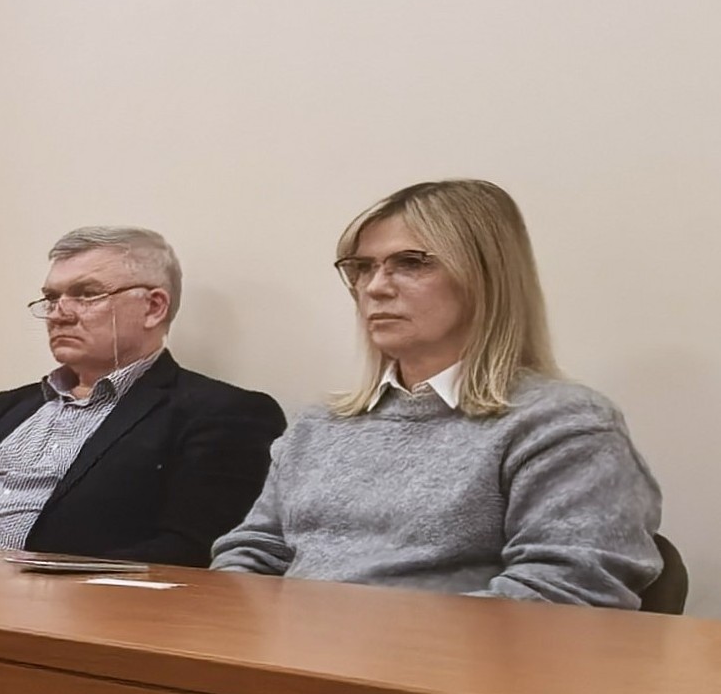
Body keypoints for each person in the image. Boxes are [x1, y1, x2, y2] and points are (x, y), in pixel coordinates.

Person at [212, 179, 663, 608]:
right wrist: (234, 620)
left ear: (484, 277)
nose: (375, 287)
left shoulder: (562, 423)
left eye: (411, 263)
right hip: (286, 655)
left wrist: (349, 639)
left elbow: (564, 592)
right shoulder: (321, 424)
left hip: (444, 662)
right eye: (362, 268)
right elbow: (255, 550)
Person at [0, 227, 284, 563]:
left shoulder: (223, 413)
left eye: (86, 294)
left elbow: (189, 552)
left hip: (61, 609)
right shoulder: (8, 407)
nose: (58, 314)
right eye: (51, 298)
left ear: (153, 308)